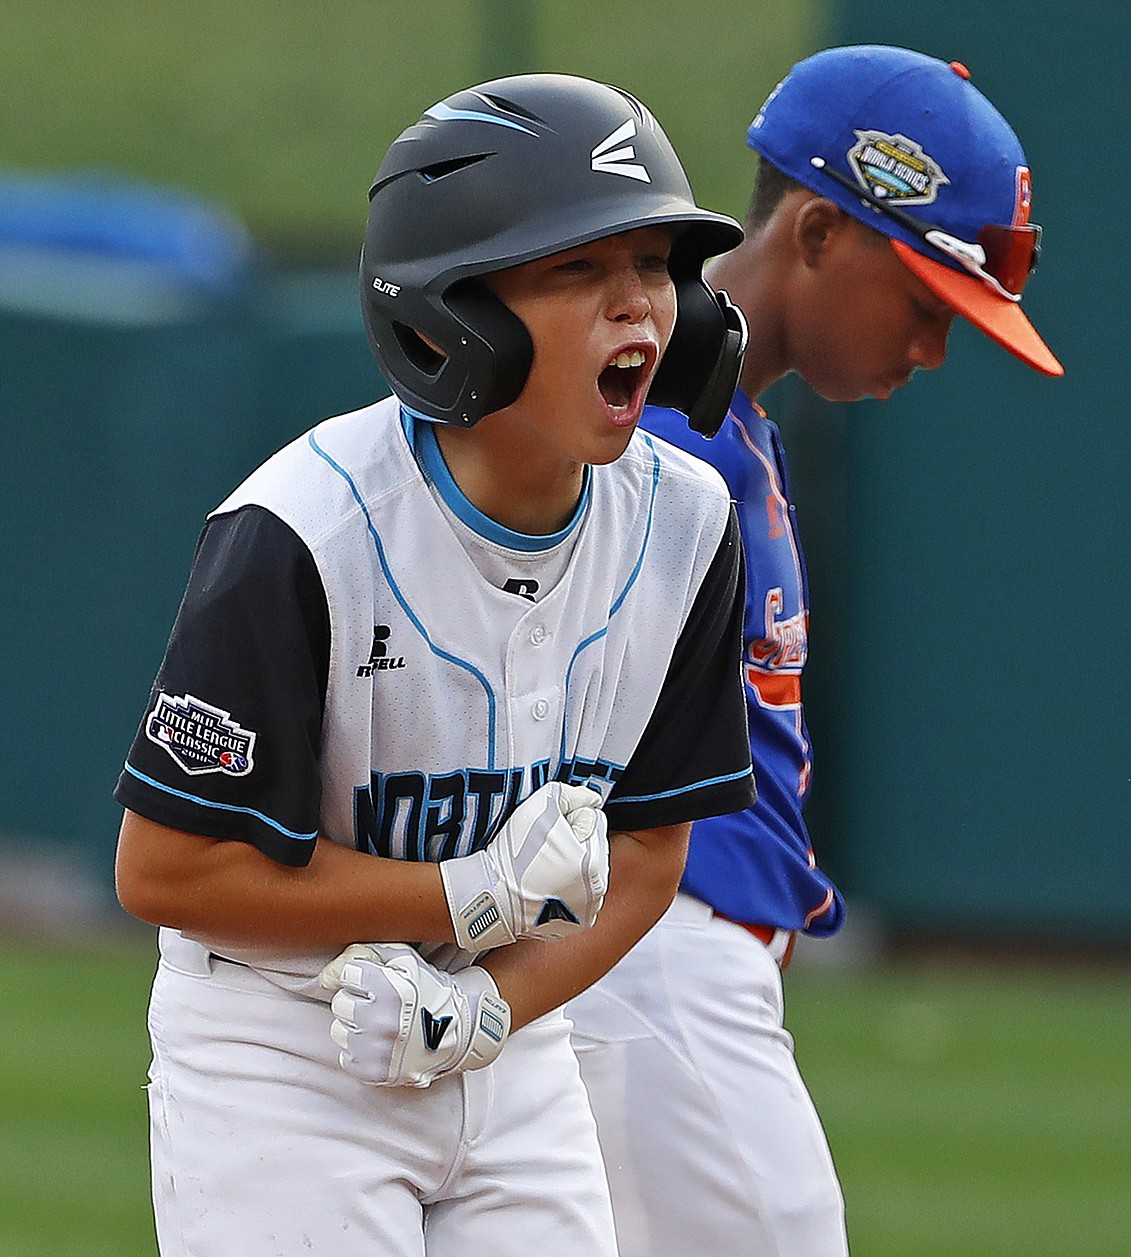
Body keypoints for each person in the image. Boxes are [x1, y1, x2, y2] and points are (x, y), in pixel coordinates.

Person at [112, 72, 757, 1257]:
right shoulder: (303, 532)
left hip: (509, 1047)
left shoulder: (688, 523)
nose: (641, 308)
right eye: (577, 269)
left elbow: (653, 848)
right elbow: (167, 872)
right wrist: (456, 896)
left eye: (656, 264)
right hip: (280, 1052)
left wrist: (485, 1005)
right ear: (450, 315)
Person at [567, 44, 1064, 1257]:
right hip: (654, 956)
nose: (935, 350)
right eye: (924, 303)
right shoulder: (661, 411)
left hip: (662, 963)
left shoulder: (724, 412)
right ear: (822, 233)